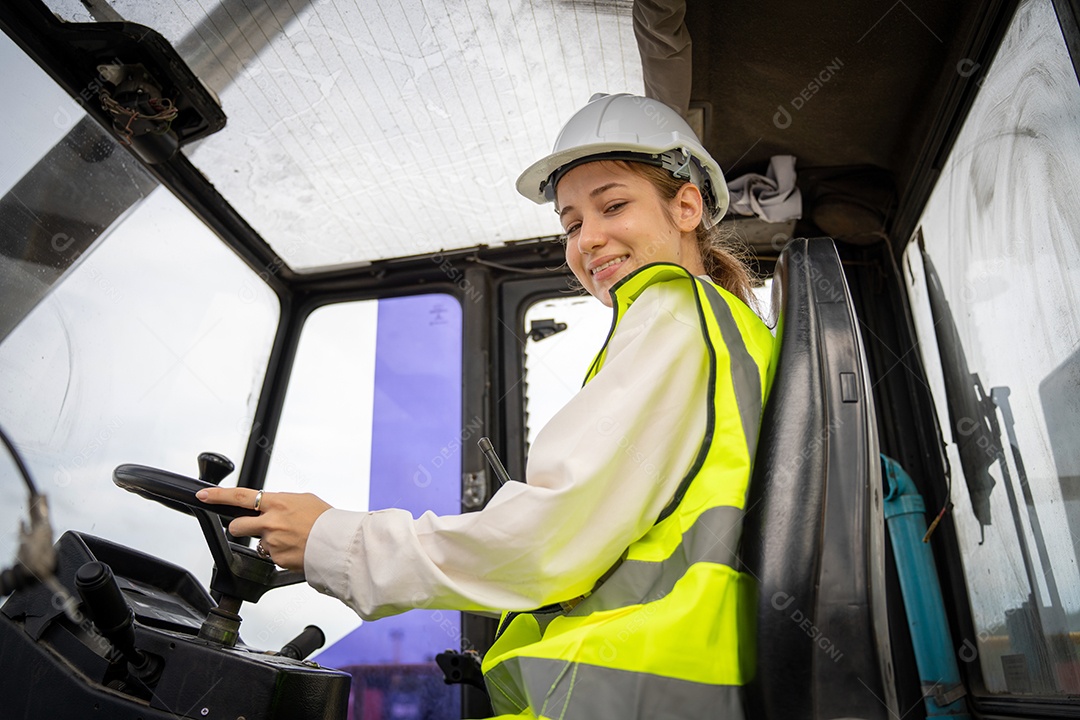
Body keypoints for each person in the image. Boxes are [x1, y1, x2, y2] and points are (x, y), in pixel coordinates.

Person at [197, 93, 775, 719]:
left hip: (630, 690)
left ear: (685, 206)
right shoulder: (724, 331)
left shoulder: (674, 314)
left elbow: (548, 538)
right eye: (573, 223)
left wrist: (335, 539)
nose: (590, 238)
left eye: (613, 205)